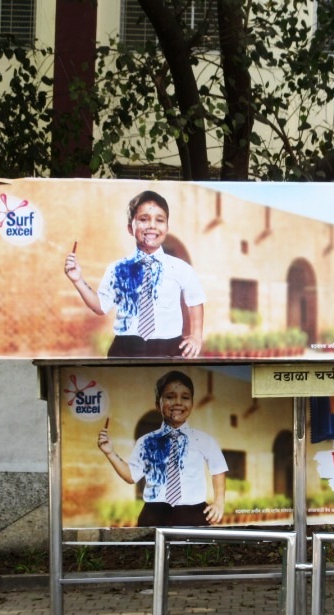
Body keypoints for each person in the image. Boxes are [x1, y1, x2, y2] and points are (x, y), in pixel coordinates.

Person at [64, 190, 206, 358]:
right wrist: (78, 280)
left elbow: (195, 300)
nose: (152, 225)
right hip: (125, 348)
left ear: (167, 227)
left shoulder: (180, 268)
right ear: (130, 228)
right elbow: (101, 306)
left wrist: (196, 336)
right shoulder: (117, 268)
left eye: (159, 220)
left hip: (169, 348)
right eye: (143, 219)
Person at [98, 370, 228, 527]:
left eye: (185, 397)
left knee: (192, 551)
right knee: (152, 551)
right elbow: (131, 476)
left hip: (193, 513)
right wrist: (110, 453)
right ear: (157, 405)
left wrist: (219, 502)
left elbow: (218, 469)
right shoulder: (145, 441)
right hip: (154, 513)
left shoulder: (205, 440)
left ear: (192, 404)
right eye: (170, 397)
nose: (178, 402)